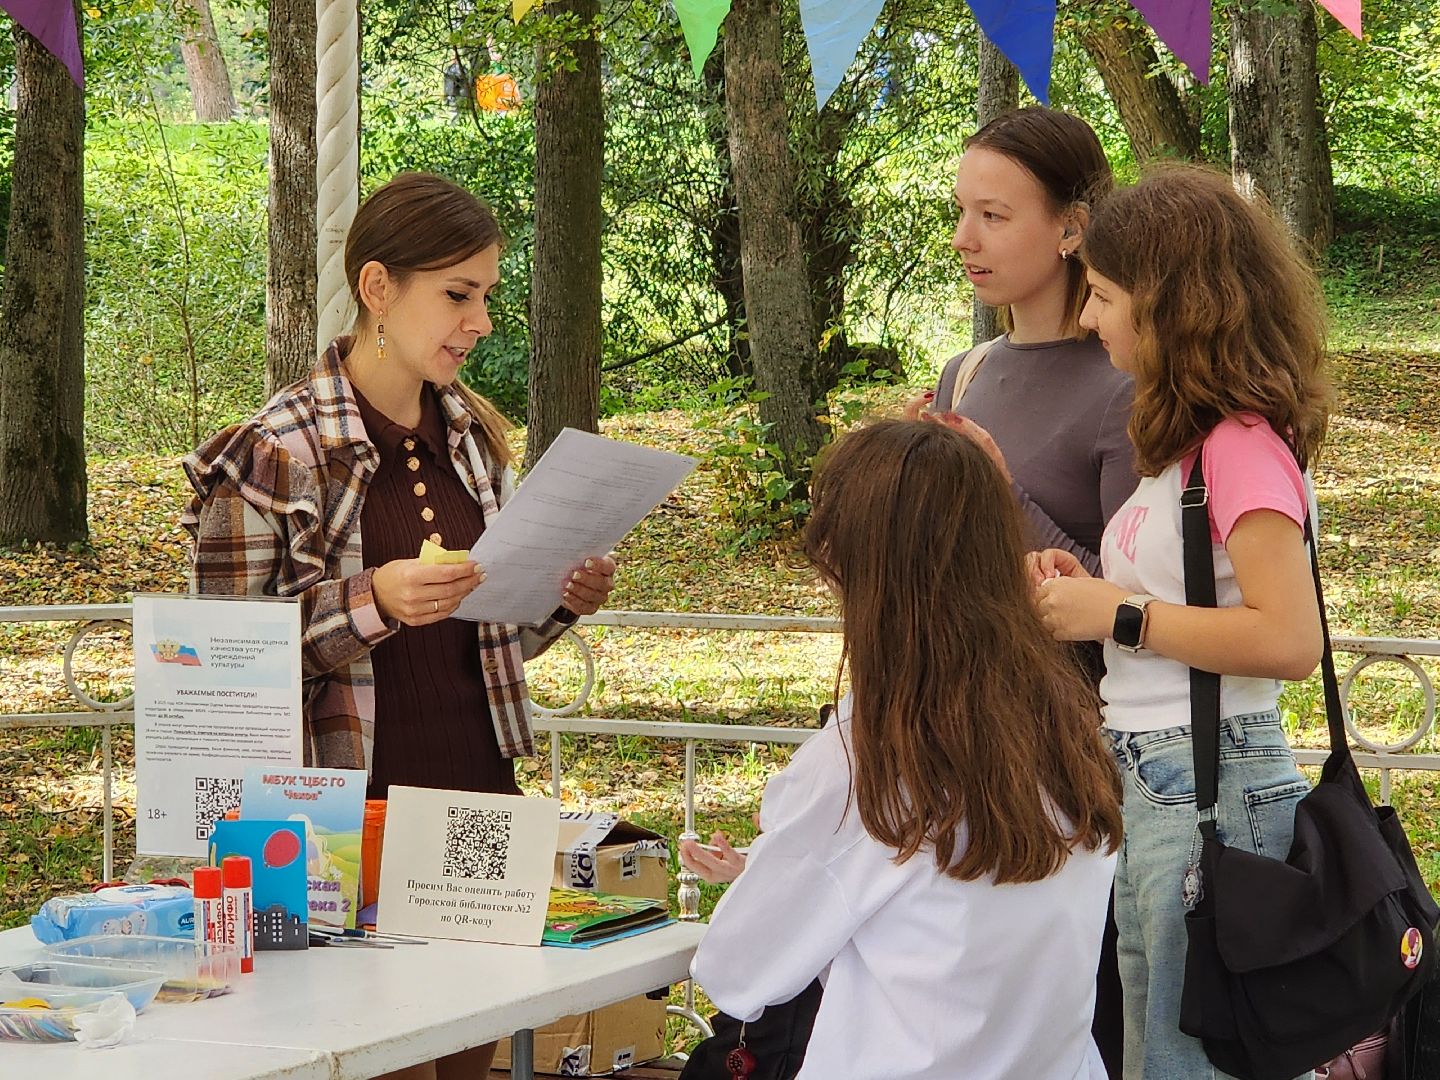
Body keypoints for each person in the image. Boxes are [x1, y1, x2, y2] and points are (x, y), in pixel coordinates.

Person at [181, 172, 618, 1080]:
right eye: (458, 294)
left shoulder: (473, 443)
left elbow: (487, 646)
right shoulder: (273, 451)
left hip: (475, 802)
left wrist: (561, 597)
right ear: (379, 289)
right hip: (324, 827)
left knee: (466, 1063)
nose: (482, 321)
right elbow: (215, 674)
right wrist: (372, 600)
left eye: (488, 295)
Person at [689, 418, 1124, 1080]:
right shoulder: (1069, 728)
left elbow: (737, 971)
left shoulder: (865, 762)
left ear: (847, 565)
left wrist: (784, 863)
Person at [1033, 164, 1332, 1080]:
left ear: (1173, 306)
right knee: (1160, 1051)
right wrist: (1084, 591)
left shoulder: (1241, 445)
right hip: (1160, 780)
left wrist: (1116, 611)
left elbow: (1290, 639)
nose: (1089, 319)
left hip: (1210, 783)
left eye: (1107, 296)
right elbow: (1187, 607)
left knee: (1184, 1058)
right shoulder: (1189, 451)